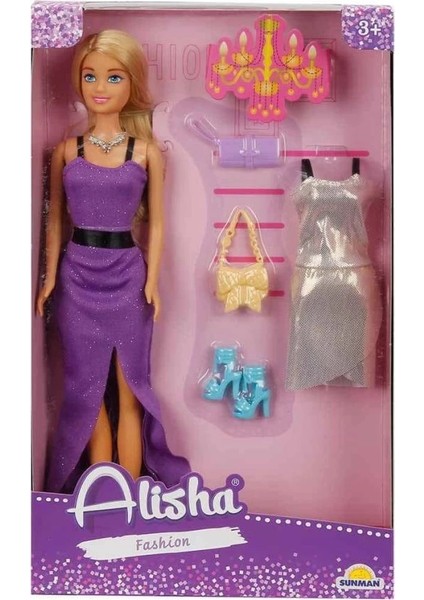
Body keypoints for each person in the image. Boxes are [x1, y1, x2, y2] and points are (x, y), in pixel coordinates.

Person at [37, 29, 190, 493]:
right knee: (89, 395)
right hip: (76, 277)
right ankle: (103, 494)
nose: (100, 87)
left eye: (113, 77)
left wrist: (153, 281)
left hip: (126, 276)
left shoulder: (145, 152)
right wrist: (49, 279)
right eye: (90, 76)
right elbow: (55, 221)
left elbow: (157, 225)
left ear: (132, 82)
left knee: (130, 390)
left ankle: (132, 491)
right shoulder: (68, 151)